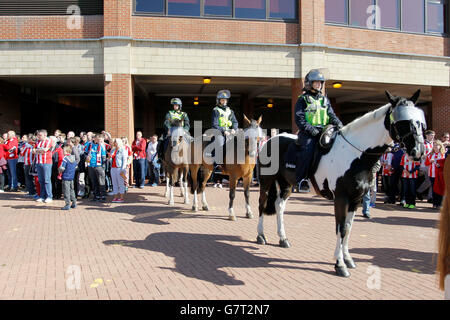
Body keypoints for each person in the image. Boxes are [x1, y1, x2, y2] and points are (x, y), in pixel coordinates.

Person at [294, 69, 343, 191]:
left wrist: (339, 124)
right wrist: (310, 129)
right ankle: (302, 179)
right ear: (309, 84)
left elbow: (331, 115)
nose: (319, 85)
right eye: (316, 83)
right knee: (308, 150)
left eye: (320, 83)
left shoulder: (324, 99)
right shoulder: (302, 99)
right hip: (308, 132)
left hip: (325, 130)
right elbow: (299, 118)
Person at [210, 90, 238, 162]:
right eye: (222, 100)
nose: (224, 102)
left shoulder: (230, 111)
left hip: (229, 131)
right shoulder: (216, 110)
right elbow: (215, 124)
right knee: (220, 143)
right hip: (219, 132)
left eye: (225, 100)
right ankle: (217, 163)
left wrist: (234, 129)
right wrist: (224, 131)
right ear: (219, 101)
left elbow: (235, 122)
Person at [84, 134, 107, 202]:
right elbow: (84, 153)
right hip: (91, 165)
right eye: (97, 139)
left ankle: (103, 196)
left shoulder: (101, 146)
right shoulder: (89, 145)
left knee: (101, 181)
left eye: (99, 139)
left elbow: (104, 157)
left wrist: (103, 167)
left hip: (99, 166)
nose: (99, 140)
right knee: (94, 182)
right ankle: (96, 196)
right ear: (94, 139)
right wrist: (86, 158)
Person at [34, 129, 54, 203]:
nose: (38, 136)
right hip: (39, 162)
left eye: (40, 135)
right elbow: (33, 150)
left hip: (46, 162)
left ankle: (49, 196)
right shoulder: (38, 142)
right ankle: (42, 196)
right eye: (38, 135)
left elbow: (45, 150)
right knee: (41, 180)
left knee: (47, 180)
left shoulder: (48, 140)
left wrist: (38, 150)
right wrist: (39, 150)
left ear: (45, 135)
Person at [425, 140, 446, 209]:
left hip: (440, 175)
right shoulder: (430, 154)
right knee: (434, 189)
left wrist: (439, 164)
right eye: (434, 145)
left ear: (440, 146)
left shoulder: (443, 154)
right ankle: (435, 203)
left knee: (440, 189)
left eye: (437, 145)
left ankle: (440, 204)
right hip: (432, 174)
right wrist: (430, 162)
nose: (435, 147)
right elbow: (426, 163)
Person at [417, 130, 435, 202]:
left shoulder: (434, 143)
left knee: (431, 180)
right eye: (431, 135)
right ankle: (419, 191)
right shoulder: (423, 144)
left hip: (432, 164)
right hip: (425, 165)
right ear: (427, 136)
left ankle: (430, 197)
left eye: (433, 135)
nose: (433, 137)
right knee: (429, 180)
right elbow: (420, 154)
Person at [58, 145, 77, 210]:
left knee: (66, 191)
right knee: (72, 190)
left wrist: (59, 171)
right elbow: (75, 167)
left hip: (65, 176)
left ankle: (67, 204)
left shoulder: (65, 159)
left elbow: (62, 168)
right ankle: (74, 202)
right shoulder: (74, 158)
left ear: (66, 151)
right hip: (71, 176)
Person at [110, 138, 128, 203]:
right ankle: (115, 197)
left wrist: (123, 169)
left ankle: (121, 197)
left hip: (119, 167)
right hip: (113, 167)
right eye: (114, 142)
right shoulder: (113, 149)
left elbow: (125, 160)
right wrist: (109, 157)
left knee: (120, 183)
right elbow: (110, 158)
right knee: (114, 183)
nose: (115, 143)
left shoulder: (123, 150)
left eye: (115, 142)